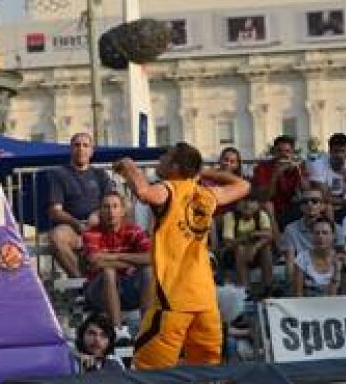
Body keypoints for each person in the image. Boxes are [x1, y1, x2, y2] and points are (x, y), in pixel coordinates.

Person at [113, 142, 250, 368]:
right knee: (207, 373)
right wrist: (202, 172)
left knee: (150, 372)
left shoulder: (169, 190)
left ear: (175, 166)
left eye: (165, 156)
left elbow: (144, 192)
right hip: (205, 300)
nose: (160, 159)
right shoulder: (205, 194)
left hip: (173, 300)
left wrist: (129, 167)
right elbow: (243, 185)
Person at [81, 192, 152, 333]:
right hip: (98, 291)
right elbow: (95, 261)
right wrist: (133, 260)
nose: (111, 211)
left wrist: (114, 257)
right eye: (106, 207)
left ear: (123, 210)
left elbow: (151, 258)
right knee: (108, 272)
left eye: (115, 206)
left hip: (129, 288)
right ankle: (118, 332)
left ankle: (147, 329)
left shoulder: (134, 231)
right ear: (100, 211)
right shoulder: (91, 233)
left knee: (148, 271)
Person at [46, 132, 115, 277]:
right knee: (56, 237)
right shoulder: (59, 174)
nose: (81, 149)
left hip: (100, 225)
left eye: (85, 145)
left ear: (91, 151)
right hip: (73, 228)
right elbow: (55, 211)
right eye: (77, 145)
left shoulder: (101, 175)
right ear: (71, 149)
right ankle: (82, 280)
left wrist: (97, 215)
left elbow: (113, 202)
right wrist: (77, 224)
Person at [251, 135, 305, 230]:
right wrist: (275, 175)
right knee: (268, 205)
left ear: (292, 153)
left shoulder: (297, 168)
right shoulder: (262, 168)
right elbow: (265, 197)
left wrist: (299, 171)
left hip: (290, 208)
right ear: (274, 152)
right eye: (279, 151)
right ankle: (277, 240)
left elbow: (306, 192)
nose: (283, 154)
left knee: (308, 205)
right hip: (271, 209)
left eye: (287, 151)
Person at [219, 196, 273, 290]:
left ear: (257, 204)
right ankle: (245, 289)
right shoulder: (230, 216)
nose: (247, 205)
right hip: (232, 255)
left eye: (252, 201)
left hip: (255, 253)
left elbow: (269, 235)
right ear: (237, 204)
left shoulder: (261, 215)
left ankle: (267, 287)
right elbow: (228, 243)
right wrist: (248, 237)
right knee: (240, 249)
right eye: (244, 201)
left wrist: (255, 247)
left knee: (266, 249)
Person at [307, 133, 346, 221]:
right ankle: (331, 232)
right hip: (322, 203)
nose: (339, 155)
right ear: (330, 151)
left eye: (342, 151)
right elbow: (323, 197)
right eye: (336, 151)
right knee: (328, 207)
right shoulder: (318, 165)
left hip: (343, 202)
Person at [291, 218, 342, 297]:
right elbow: (298, 294)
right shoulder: (302, 259)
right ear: (311, 236)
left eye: (325, 233)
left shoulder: (342, 259)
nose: (320, 236)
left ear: (333, 236)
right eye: (317, 233)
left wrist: (337, 270)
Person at [279, 183, 330, 261]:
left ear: (323, 206)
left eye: (314, 201)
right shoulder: (291, 230)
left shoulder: (336, 229)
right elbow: (290, 262)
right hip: (300, 271)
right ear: (301, 206)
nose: (309, 204)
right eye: (305, 201)